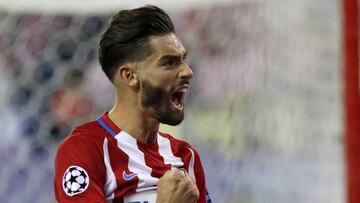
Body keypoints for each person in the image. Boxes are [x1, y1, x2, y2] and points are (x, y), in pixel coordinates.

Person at [54, 5, 211, 203]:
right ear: (130, 76)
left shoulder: (186, 157)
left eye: (183, 60)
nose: (187, 71)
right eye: (169, 63)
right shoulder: (85, 150)